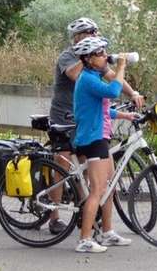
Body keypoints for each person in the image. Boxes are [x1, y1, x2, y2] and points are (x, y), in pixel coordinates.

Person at [46, 17, 144, 235]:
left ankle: (88, 217)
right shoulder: (69, 58)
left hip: (87, 119)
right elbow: (77, 76)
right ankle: (54, 217)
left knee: (87, 171)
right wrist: (89, 55)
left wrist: (134, 93)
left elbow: (111, 76)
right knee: (63, 166)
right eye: (92, 33)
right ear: (80, 36)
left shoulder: (95, 58)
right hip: (64, 116)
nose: (96, 37)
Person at [71, 36, 139, 253]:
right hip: (92, 139)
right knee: (97, 190)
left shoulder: (92, 77)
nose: (104, 57)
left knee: (109, 187)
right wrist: (121, 65)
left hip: (101, 137)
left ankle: (107, 232)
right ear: (89, 59)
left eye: (103, 52)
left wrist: (125, 116)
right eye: (100, 54)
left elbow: (102, 109)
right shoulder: (88, 79)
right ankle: (85, 239)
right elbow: (113, 91)